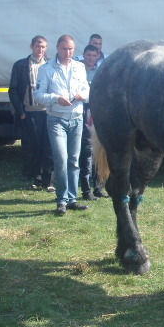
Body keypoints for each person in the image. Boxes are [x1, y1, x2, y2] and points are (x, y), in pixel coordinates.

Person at [35, 35, 90, 215]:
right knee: (61, 159)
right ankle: (61, 199)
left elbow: (87, 89)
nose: (68, 53)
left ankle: (72, 198)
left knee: (74, 160)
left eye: (71, 49)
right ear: (57, 48)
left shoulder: (79, 67)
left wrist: (83, 95)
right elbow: (39, 95)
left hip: (76, 118)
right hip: (56, 118)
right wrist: (56, 98)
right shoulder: (47, 68)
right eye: (64, 49)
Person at [9, 35, 54, 191]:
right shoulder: (21, 65)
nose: (40, 50)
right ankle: (32, 175)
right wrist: (21, 112)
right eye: (37, 46)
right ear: (31, 46)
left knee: (47, 146)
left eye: (43, 47)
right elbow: (13, 90)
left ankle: (47, 177)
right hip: (29, 112)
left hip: (47, 112)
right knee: (31, 145)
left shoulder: (50, 65)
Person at [76, 44, 108, 200]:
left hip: (97, 113)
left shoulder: (101, 72)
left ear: (98, 57)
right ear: (84, 55)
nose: (90, 58)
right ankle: (86, 189)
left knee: (99, 151)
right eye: (88, 55)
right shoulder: (78, 70)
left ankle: (99, 187)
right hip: (82, 112)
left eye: (94, 56)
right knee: (86, 152)